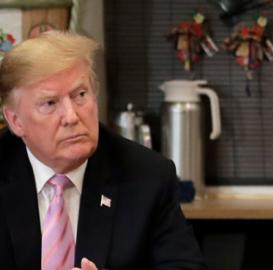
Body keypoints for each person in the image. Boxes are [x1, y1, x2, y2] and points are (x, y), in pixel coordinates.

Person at [0, 31, 206, 270]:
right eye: (50, 103)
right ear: (16, 121)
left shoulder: (147, 176)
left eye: (80, 95)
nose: (71, 116)